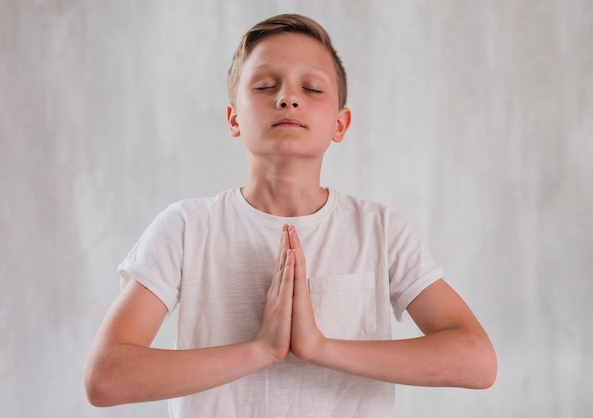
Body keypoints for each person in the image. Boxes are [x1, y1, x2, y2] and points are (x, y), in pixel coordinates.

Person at [84, 13, 497, 417]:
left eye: (313, 88)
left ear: (340, 124)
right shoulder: (187, 228)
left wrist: (319, 347)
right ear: (233, 119)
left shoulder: (380, 231)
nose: (288, 97)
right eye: (265, 85)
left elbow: (477, 361)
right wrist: (260, 349)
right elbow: (106, 378)